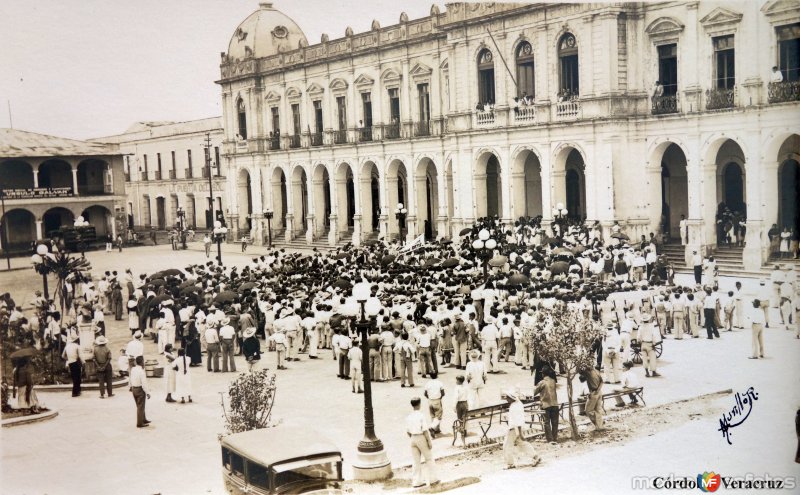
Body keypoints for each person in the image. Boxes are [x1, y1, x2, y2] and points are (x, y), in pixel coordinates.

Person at [406, 397, 439, 488]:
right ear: (419, 404)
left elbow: (408, 431)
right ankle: (433, 479)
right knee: (428, 458)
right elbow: (425, 430)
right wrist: (429, 441)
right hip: (421, 437)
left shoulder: (409, 416)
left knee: (416, 461)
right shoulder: (421, 415)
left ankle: (417, 481)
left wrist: (413, 438)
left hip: (413, 438)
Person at [503, 389, 541, 469]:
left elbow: (518, 420)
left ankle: (510, 463)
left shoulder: (514, 406)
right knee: (522, 443)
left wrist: (520, 433)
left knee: (507, 445)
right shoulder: (518, 404)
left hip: (514, 428)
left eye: (507, 397)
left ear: (511, 397)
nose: (506, 398)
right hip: (517, 427)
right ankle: (535, 456)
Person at [534, 365, 558, 444]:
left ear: (543, 374)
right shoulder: (553, 381)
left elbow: (534, 392)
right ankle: (555, 438)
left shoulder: (542, 382)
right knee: (554, 422)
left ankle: (550, 439)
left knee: (546, 422)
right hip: (554, 404)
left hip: (546, 404)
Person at [578, 365, 604, 432]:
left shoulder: (588, 373)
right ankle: (599, 426)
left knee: (588, 410)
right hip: (599, 392)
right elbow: (602, 381)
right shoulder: (596, 371)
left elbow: (580, 375)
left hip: (593, 393)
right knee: (598, 410)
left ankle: (597, 424)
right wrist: (598, 390)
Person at [129, 356, 151, 428]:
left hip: (134, 389)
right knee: (140, 407)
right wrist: (147, 393)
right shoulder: (141, 371)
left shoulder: (133, 369)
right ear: (142, 362)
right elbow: (144, 383)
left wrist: (131, 387)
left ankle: (143, 419)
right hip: (140, 390)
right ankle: (139, 423)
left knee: (140, 406)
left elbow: (130, 378)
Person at [424, 371, 445, 437]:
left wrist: (429, 398)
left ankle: (437, 429)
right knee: (438, 416)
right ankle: (432, 427)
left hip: (430, 401)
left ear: (430, 376)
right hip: (437, 400)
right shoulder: (439, 383)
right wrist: (440, 397)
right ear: (437, 375)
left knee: (433, 415)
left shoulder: (428, 383)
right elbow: (443, 393)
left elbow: (425, 393)